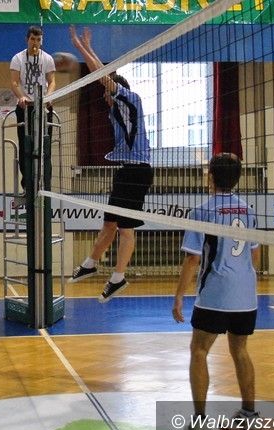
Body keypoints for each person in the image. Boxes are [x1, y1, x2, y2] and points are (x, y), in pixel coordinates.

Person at [172, 153, 261, 430]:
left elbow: (192, 259)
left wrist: (179, 297)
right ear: (237, 178)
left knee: (199, 350)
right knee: (240, 350)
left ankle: (200, 421)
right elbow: (255, 255)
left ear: (210, 177)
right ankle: (249, 414)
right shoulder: (248, 210)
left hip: (215, 292)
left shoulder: (202, 211)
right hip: (245, 295)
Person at [67, 26, 154, 302]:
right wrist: (88, 46)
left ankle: (118, 278)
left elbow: (100, 75)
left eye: (107, 91)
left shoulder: (129, 98)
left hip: (137, 171)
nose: (104, 98)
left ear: (116, 90)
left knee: (125, 228)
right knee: (109, 224)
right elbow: (103, 75)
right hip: (127, 170)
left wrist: (80, 48)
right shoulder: (116, 110)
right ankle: (90, 264)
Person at [9, 25, 56, 193]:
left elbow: (52, 82)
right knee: (25, 146)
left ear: (41, 41)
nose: (35, 42)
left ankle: (45, 184)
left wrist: (48, 97)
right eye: (32, 39)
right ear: (27, 40)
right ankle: (27, 185)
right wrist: (22, 96)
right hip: (25, 108)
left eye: (38, 40)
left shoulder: (47, 59)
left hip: (42, 107)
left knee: (45, 146)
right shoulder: (18, 58)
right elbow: (14, 82)